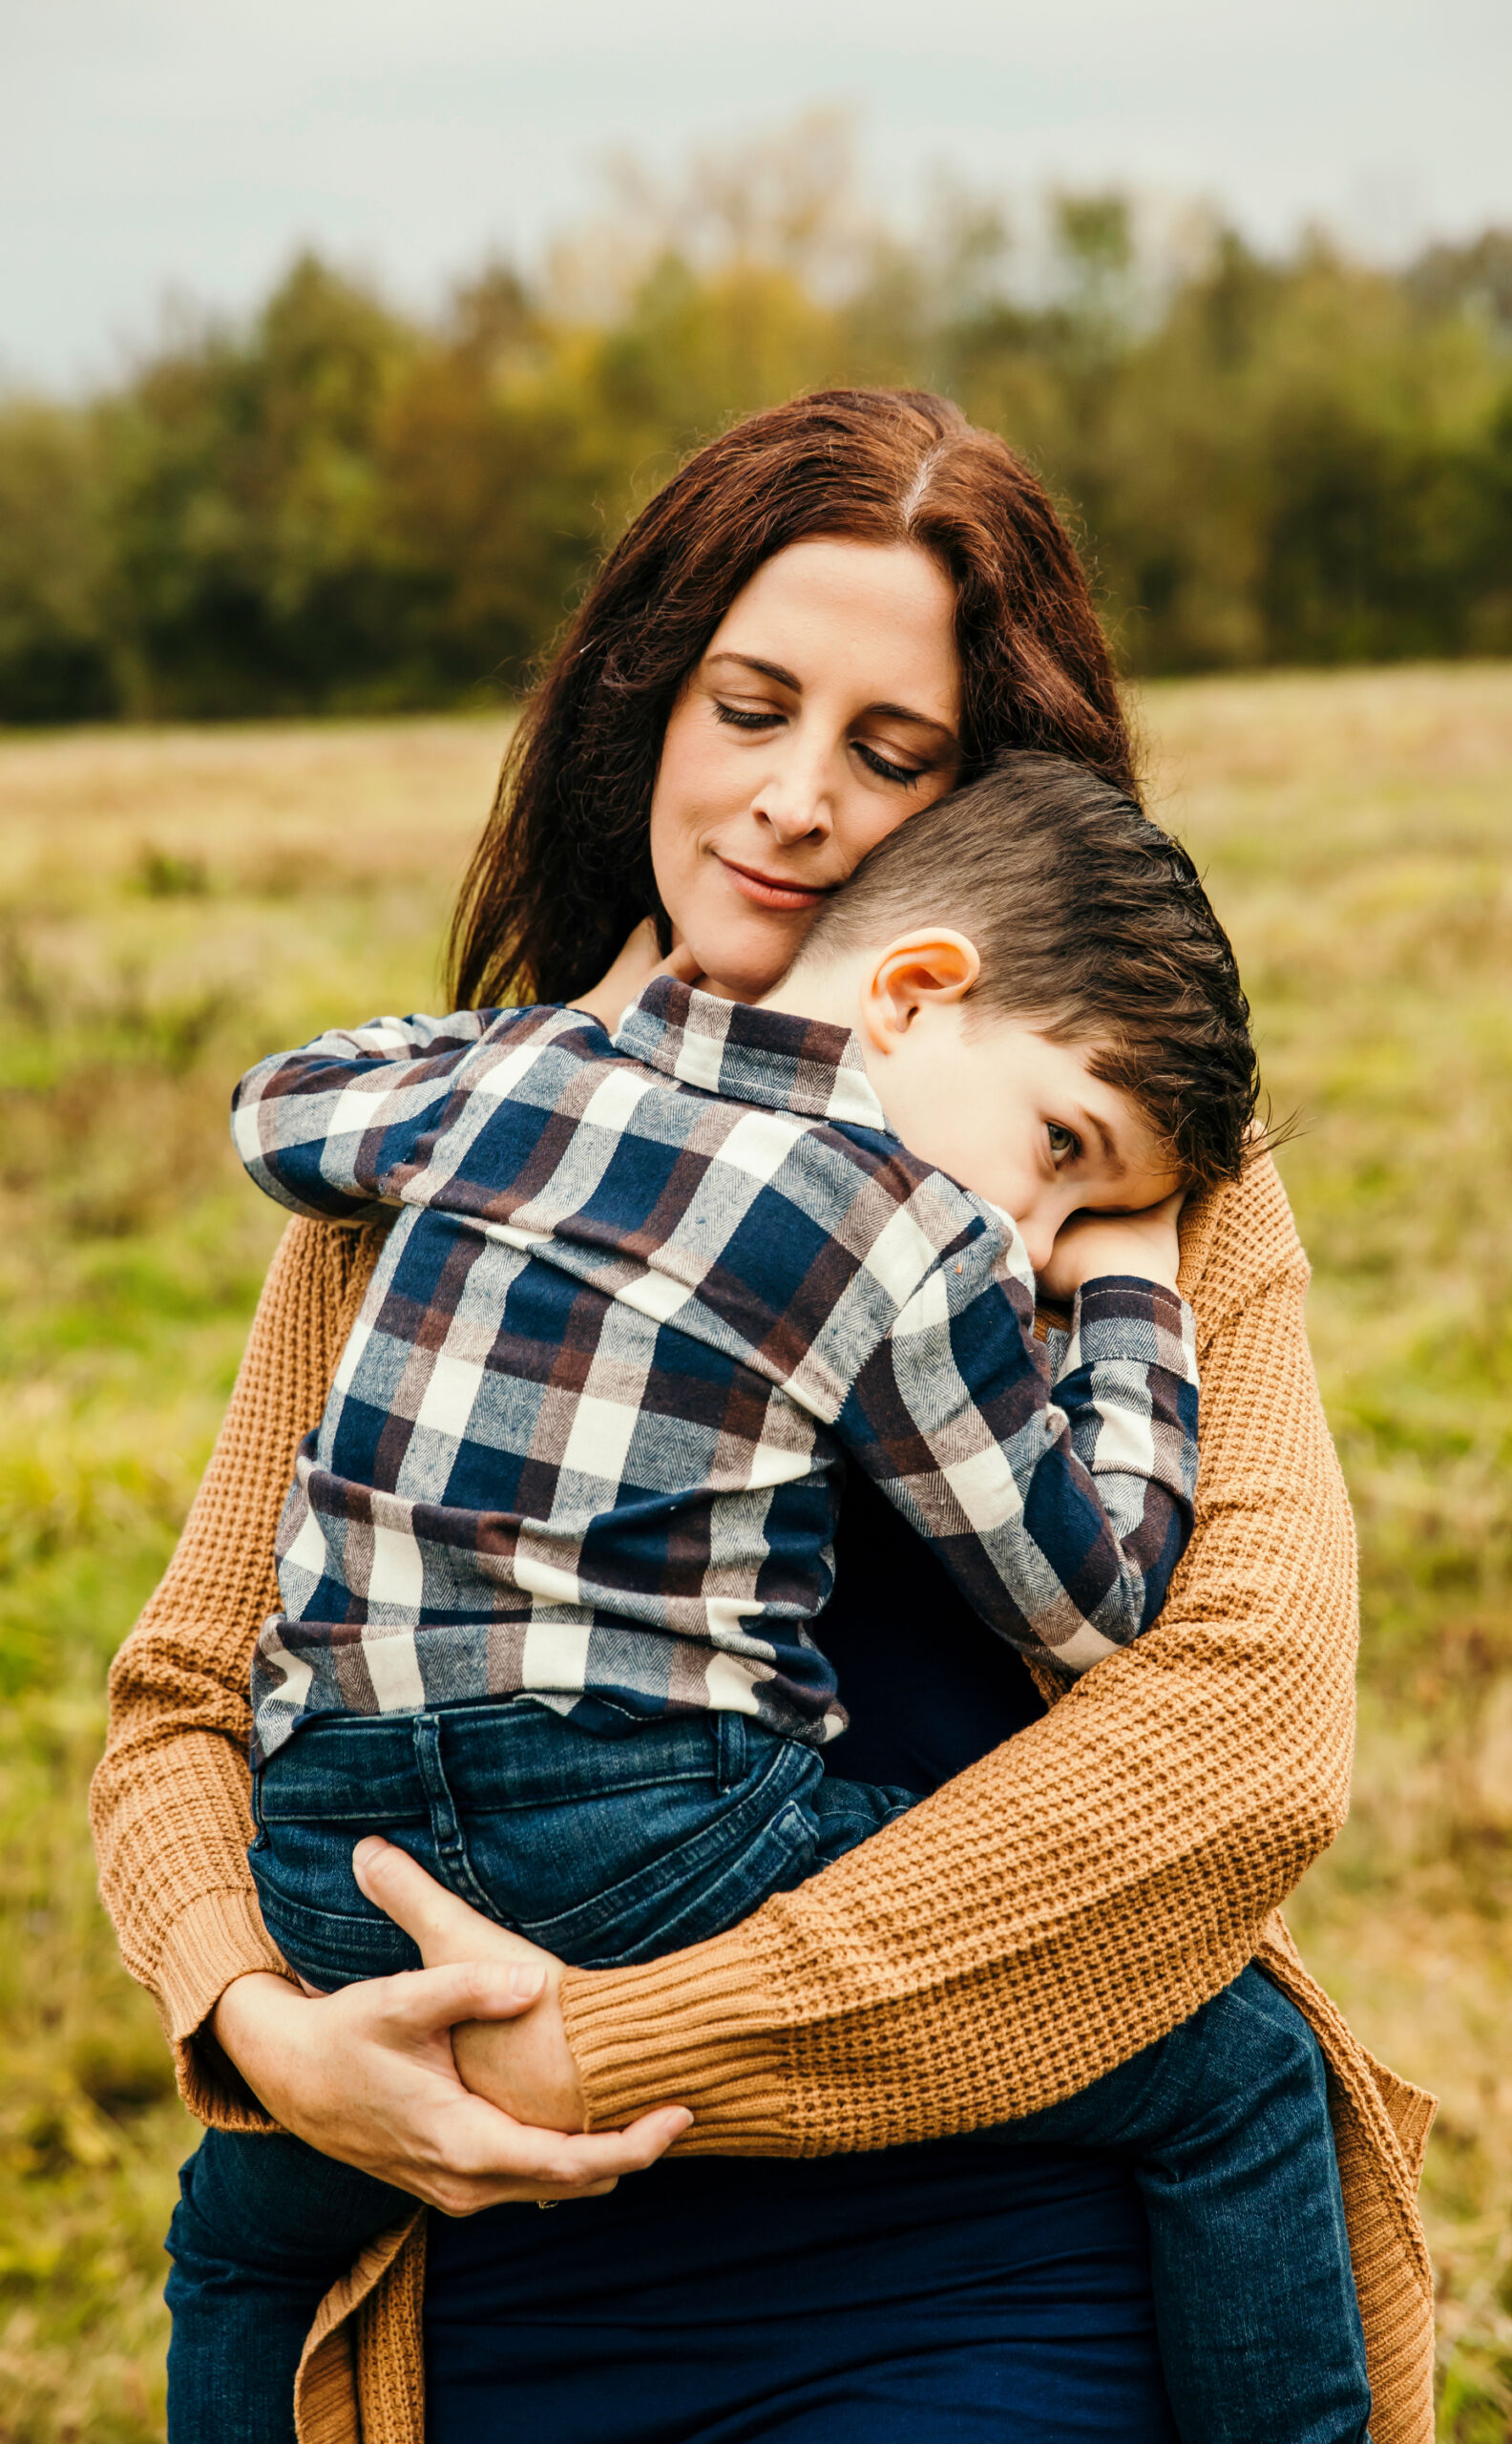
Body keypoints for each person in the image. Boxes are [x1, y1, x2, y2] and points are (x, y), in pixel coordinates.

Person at [92, 389, 1437, 2444]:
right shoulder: (459, 1165)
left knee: (1219, 2077)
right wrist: (268, 2028)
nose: (793, 797)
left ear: (984, 815)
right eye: (746, 704)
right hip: (483, 2239)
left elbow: (1233, 1742)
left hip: (972, 2226)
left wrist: (598, 2045)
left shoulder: (1130, 1173)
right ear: (641, 710)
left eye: (888, 752)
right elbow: (186, 1697)